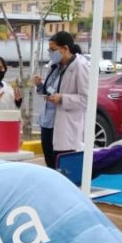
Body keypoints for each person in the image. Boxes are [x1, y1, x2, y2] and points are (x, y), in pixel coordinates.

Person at [33, 31, 90, 169]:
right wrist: (41, 86)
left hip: (64, 126)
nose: (50, 53)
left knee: (63, 168)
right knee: (50, 165)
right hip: (47, 123)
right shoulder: (55, 66)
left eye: (53, 50)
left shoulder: (80, 66)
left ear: (65, 49)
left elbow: (86, 99)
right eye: (49, 50)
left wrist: (63, 99)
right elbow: (51, 90)